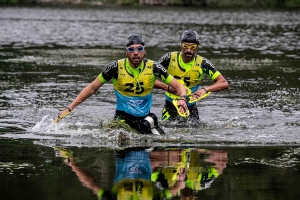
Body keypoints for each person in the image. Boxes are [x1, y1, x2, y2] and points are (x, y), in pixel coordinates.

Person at [55, 33, 188, 134]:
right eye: (131, 50)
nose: (135, 53)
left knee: (166, 147)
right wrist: (70, 108)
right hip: (122, 119)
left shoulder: (154, 68)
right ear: (126, 52)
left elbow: (179, 87)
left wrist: (182, 98)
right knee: (121, 142)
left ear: (144, 51)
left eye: (139, 49)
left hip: (145, 119)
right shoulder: (115, 68)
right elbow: (92, 88)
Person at [155, 30, 229, 122]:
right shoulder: (169, 58)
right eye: (185, 46)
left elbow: (224, 83)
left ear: (197, 47)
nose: (189, 50)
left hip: (190, 107)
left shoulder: (203, 63)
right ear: (181, 45)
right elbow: (148, 78)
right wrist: (167, 87)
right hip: (170, 106)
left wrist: (205, 89)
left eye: (193, 47)